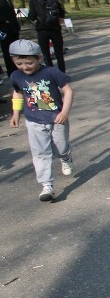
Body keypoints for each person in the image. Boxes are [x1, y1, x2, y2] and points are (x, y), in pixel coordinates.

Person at [8, 39, 74, 202]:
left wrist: (64, 112)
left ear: (39, 58)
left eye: (29, 63)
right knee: (40, 153)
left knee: (61, 147)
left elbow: (68, 91)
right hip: (34, 121)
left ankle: (65, 158)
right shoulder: (16, 76)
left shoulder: (51, 72)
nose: (24, 67)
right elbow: (18, 93)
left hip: (57, 119)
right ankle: (47, 185)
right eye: (19, 63)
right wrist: (15, 113)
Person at [27, 0, 66, 72]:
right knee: (59, 53)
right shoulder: (54, 1)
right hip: (56, 29)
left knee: (46, 53)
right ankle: (62, 72)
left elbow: (32, 16)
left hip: (42, 30)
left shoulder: (34, 1)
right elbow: (62, 13)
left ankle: (51, 72)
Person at [0, 0, 21, 80]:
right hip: (3, 30)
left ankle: (17, 69)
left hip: (13, 28)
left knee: (15, 50)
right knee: (7, 51)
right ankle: (11, 72)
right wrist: (4, 21)